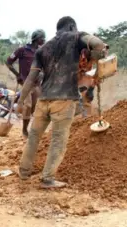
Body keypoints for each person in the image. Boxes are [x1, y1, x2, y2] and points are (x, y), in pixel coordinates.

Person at [17, 16, 107, 189]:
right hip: (64, 100)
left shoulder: (43, 49)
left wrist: (21, 101)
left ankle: (24, 172)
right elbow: (98, 44)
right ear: (72, 26)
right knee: (58, 139)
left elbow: (30, 78)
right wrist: (95, 57)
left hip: (44, 100)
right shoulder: (76, 36)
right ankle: (47, 178)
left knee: (34, 137)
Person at [6, 29, 46, 138]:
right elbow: (8, 62)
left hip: (36, 83)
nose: (44, 40)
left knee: (35, 106)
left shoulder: (41, 51)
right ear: (37, 39)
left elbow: (44, 66)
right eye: (43, 38)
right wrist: (17, 75)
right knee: (28, 105)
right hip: (25, 82)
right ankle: (24, 130)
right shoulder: (22, 50)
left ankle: (31, 126)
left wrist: (42, 74)